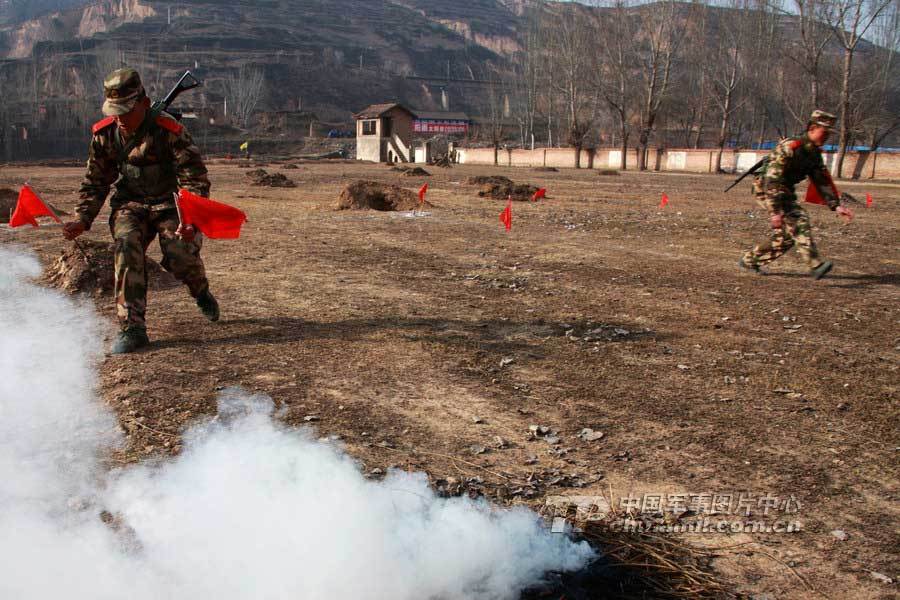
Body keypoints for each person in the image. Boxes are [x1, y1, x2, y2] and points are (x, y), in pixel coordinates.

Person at [63, 67, 220, 354]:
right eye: (115, 111)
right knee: (126, 248)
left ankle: (200, 290)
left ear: (143, 104)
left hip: (172, 205)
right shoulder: (106, 134)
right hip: (131, 205)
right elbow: (96, 181)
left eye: (125, 111)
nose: (120, 119)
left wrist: (190, 220)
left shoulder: (169, 131)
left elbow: (195, 179)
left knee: (181, 256)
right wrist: (82, 219)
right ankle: (132, 327)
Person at [739, 110, 852, 280]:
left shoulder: (813, 153)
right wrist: (775, 211)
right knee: (799, 219)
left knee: (787, 236)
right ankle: (815, 265)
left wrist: (836, 205)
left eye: (829, 133)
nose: (827, 136)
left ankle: (750, 260)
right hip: (768, 189)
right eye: (824, 132)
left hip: (784, 190)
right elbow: (772, 179)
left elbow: (821, 181)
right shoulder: (791, 146)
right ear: (812, 128)